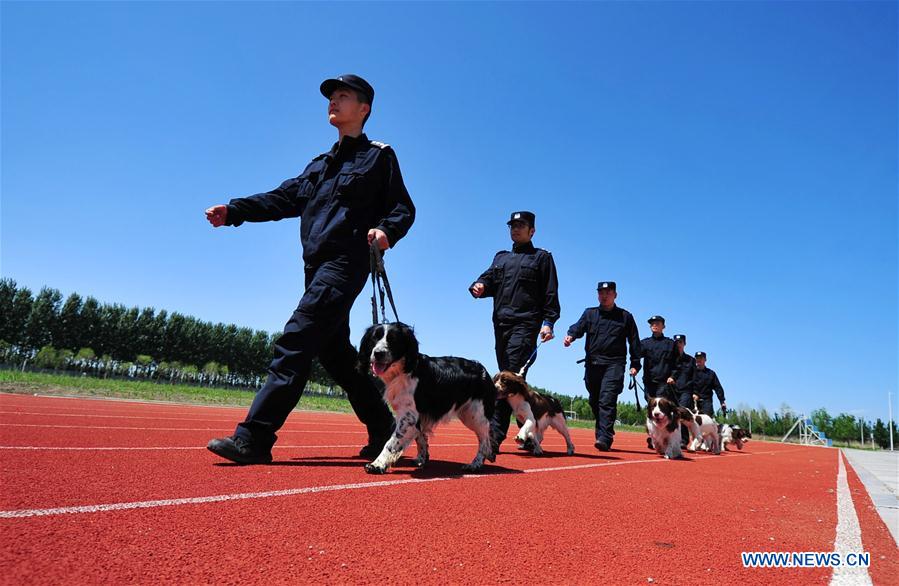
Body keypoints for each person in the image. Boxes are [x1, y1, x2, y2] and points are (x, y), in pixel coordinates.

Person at [205, 74, 415, 464]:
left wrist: (386, 231)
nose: (332, 102)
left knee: (296, 339)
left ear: (364, 108)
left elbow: (403, 208)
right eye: (331, 97)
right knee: (339, 359)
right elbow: (283, 198)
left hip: (346, 263)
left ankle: (255, 437)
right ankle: (385, 428)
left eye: (342, 96)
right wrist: (236, 211)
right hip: (315, 267)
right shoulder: (320, 165)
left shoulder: (379, 156)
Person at [470, 211, 560, 454]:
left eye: (521, 225)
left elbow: (550, 293)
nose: (515, 229)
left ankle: (493, 438)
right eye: (513, 225)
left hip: (526, 325)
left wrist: (549, 322)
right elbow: (488, 279)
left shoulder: (542, 258)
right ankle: (530, 433)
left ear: (532, 231)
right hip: (501, 325)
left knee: (505, 380)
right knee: (513, 383)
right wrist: (480, 286)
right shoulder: (501, 257)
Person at [564, 281, 641, 451]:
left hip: (614, 364)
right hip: (593, 364)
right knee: (594, 400)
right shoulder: (590, 313)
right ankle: (602, 432)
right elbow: (578, 327)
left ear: (615, 295)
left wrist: (636, 363)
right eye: (601, 292)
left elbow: (634, 341)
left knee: (607, 399)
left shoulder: (625, 317)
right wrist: (571, 336)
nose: (604, 296)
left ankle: (605, 437)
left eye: (608, 292)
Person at [638, 315, 680, 403]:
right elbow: (636, 356)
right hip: (649, 382)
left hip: (664, 383)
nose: (654, 325)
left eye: (657, 323)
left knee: (660, 405)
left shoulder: (671, 344)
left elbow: (677, 363)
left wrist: (673, 376)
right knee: (651, 405)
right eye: (652, 324)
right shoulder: (645, 343)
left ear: (663, 326)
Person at [671, 334, 695, 447]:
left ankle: (684, 440)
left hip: (685, 391)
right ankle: (672, 438)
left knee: (682, 413)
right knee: (671, 415)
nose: (678, 344)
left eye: (680, 342)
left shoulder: (690, 360)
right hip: (672, 390)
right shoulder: (669, 358)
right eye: (676, 342)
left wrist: (691, 390)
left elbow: (694, 377)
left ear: (684, 344)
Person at [693, 351, 726, 417]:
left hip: (706, 402)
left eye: (701, 358)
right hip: (693, 401)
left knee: (707, 421)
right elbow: (685, 385)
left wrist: (722, 401)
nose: (699, 360)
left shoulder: (711, 374)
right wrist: (692, 394)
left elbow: (718, 388)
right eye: (697, 358)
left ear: (705, 360)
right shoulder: (691, 372)